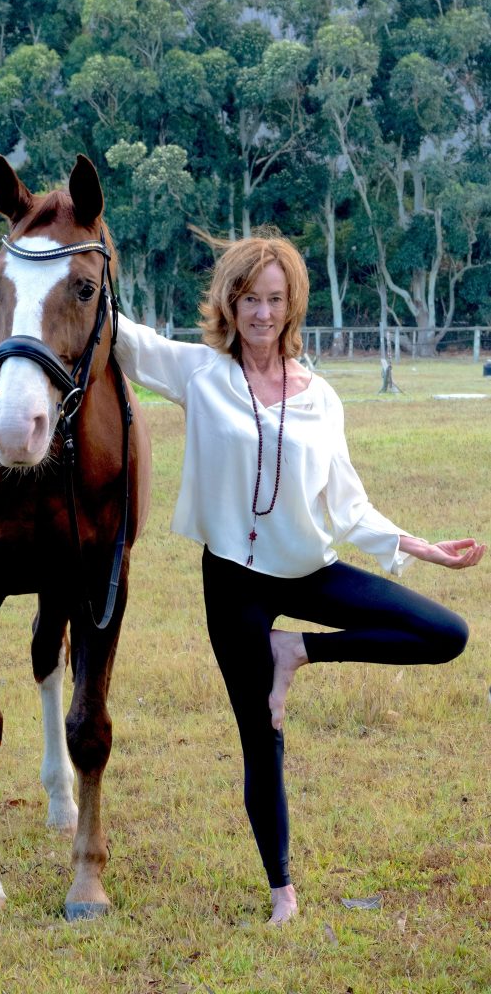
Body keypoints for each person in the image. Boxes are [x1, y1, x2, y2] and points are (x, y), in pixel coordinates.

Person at [112, 231, 486, 926]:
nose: (260, 313)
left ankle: (298, 651)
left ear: (291, 307)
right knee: (261, 735)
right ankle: (281, 889)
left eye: (273, 300)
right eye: (248, 299)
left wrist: (419, 546)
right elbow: (122, 336)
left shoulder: (319, 397)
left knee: (445, 633)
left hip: (309, 574)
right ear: (230, 303)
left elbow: (346, 503)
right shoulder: (198, 372)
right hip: (233, 584)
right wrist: (61, 252)